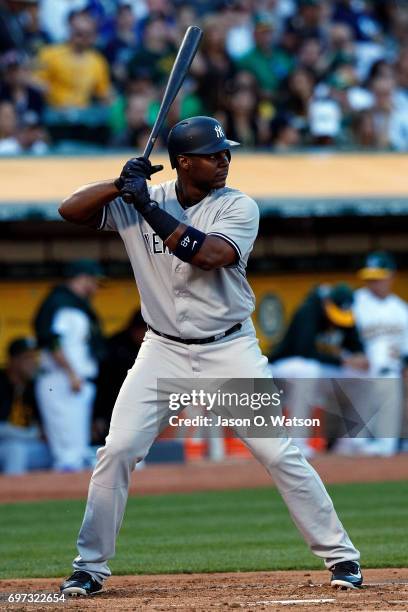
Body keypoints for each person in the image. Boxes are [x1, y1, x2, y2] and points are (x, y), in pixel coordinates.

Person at [58, 116, 362, 596]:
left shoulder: (237, 206)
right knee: (116, 451)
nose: (224, 161)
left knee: (278, 454)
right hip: (161, 351)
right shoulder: (144, 199)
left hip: (228, 351)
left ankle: (342, 557)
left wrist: (143, 205)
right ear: (183, 163)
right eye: (213, 154)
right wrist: (120, 184)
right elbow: (69, 211)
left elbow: (207, 256)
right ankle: (89, 566)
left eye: (225, 153)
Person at [269, 283, 369, 457]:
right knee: (308, 371)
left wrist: (361, 357)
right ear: (327, 303)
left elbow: (356, 345)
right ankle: (297, 442)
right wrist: (344, 361)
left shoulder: (347, 315)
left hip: (321, 369)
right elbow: (304, 350)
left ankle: (350, 444)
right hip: (285, 366)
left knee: (362, 377)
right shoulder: (309, 310)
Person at [34, 259, 105, 471]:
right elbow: (53, 341)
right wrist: (71, 373)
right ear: (82, 278)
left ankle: (72, 497)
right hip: (61, 380)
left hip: (72, 381)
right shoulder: (61, 303)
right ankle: (58, 498)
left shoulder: (74, 305)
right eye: (94, 281)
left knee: (77, 451)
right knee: (68, 455)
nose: (96, 288)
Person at [353, 252, 408, 456]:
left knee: (385, 448)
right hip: (361, 374)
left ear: (391, 277)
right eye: (370, 278)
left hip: (391, 374)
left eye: (378, 278)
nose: (373, 283)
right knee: (359, 443)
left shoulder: (401, 310)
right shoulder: (355, 303)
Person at [93, 309, 147, 444]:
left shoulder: (152, 349)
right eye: (145, 332)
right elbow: (102, 387)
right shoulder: (114, 348)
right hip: (111, 408)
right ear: (135, 329)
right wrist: (98, 416)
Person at [0, 337, 51, 474]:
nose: (33, 363)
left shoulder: (37, 386)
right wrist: (32, 434)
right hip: (5, 446)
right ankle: (12, 494)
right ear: (13, 361)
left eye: (34, 358)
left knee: (61, 454)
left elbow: (44, 431)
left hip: (28, 445)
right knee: (15, 450)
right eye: (27, 358)